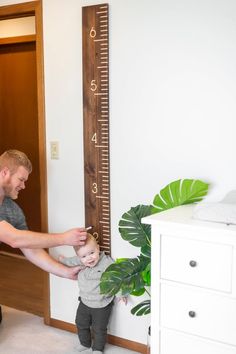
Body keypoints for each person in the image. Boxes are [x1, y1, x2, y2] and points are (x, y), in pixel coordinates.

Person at [0, 149, 88, 322]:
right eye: (21, 179)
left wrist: (65, 272)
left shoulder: (12, 210)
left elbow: (30, 248)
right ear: (4, 173)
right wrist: (64, 238)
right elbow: (14, 239)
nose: (23, 186)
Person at [59, 233, 127, 354]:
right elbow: (71, 261)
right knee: (80, 323)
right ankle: (85, 343)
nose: (89, 258)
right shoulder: (80, 261)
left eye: (92, 253)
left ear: (98, 248)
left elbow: (115, 278)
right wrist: (63, 260)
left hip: (101, 304)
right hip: (84, 301)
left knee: (99, 329)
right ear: (79, 257)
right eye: (84, 256)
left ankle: (98, 349)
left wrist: (121, 294)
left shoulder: (107, 263)